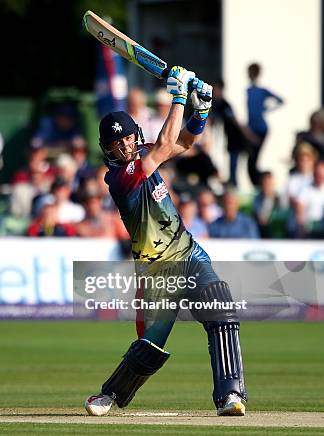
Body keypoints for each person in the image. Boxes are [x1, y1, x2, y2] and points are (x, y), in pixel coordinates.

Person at [84, 67, 247, 417]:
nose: (125, 145)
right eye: (117, 143)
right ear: (108, 150)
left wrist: (200, 111)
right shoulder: (119, 178)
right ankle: (108, 395)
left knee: (222, 311)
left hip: (188, 252)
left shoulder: (144, 153)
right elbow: (161, 146)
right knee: (151, 347)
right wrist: (178, 94)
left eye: (128, 138)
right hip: (157, 269)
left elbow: (184, 141)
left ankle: (231, 396)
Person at [246, 63, 283, 186]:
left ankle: (261, 183)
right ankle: (260, 183)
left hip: (260, 129)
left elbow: (280, 100)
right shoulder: (248, 90)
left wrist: (266, 109)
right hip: (252, 129)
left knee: (253, 160)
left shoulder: (261, 91)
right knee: (251, 161)